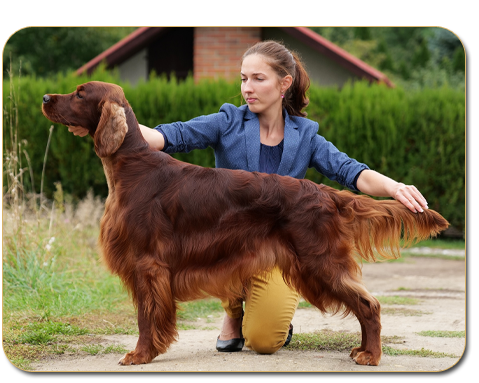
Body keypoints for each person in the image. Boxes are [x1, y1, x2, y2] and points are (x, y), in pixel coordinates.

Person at [68, 40, 428, 355]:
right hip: (228, 246)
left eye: (258, 78)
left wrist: (394, 188)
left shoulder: (306, 136)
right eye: (243, 78)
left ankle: (361, 327)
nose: (247, 88)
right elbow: (167, 136)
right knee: (212, 247)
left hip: (281, 234)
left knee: (265, 341)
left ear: (284, 84)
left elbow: (352, 172)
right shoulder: (228, 121)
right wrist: (108, 118)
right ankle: (233, 310)